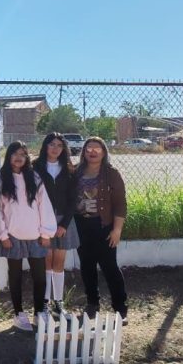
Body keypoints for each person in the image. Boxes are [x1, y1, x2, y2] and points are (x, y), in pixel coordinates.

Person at [0, 141, 57, 332]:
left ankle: (39, 312)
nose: (18, 157)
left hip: (36, 236)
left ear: (27, 157)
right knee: (15, 277)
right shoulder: (1, 178)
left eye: (22, 154)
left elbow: (44, 205)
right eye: (15, 153)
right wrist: (3, 235)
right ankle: (19, 314)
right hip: (12, 236)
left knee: (40, 277)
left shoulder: (34, 177)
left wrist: (46, 233)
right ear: (9, 156)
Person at [70, 137, 129, 324]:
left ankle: (120, 308)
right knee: (87, 266)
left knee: (109, 267)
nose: (92, 152)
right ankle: (92, 304)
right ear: (83, 152)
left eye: (97, 148)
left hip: (103, 226)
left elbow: (120, 204)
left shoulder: (111, 174)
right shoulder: (76, 172)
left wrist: (117, 230)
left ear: (104, 152)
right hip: (81, 226)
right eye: (89, 148)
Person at [34, 132, 79, 318]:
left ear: (63, 149)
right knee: (47, 262)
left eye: (59, 145)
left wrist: (64, 225)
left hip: (63, 221)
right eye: (52, 144)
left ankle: (58, 303)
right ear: (45, 146)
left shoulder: (69, 169)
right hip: (42, 222)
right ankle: (44, 303)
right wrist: (40, 224)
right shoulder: (35, 167)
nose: (55, 148)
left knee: (59, 262)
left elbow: (73, 199)